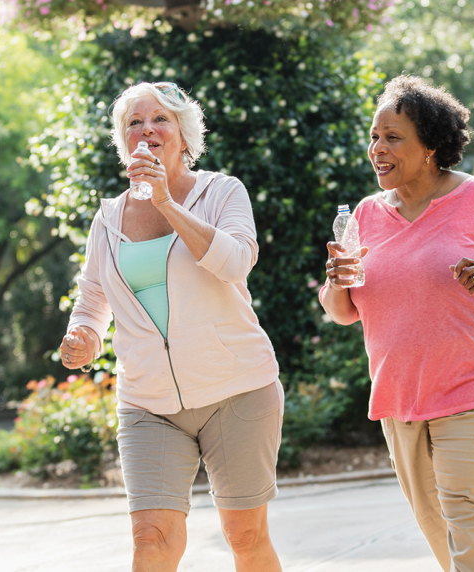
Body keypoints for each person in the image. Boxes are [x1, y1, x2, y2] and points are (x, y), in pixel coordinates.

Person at [320, 75, 474, 571]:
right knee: (447, 544)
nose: (377, 148)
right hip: (403, 401)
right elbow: (341, 311)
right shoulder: (364, 215)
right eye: (374, 136)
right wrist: (336, 281)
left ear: (430, 146)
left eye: (393, 137)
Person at [58, 82, 283, 572]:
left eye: (160, 119)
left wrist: (165, 201)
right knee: (151, 539)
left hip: (237, 389)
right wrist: (84, 335)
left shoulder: (222, 192)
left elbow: (235, 262)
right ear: (124, 140)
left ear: (184, 134)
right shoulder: (108, 218)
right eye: (134, 122)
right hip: (148, 402)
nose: (147, 129)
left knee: (245, 536)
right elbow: (92, 298)